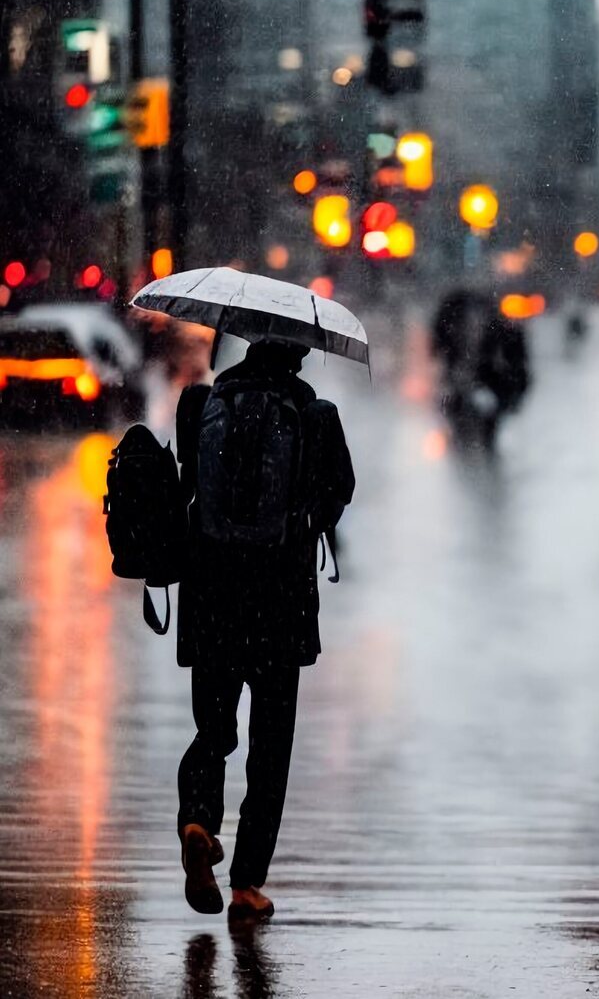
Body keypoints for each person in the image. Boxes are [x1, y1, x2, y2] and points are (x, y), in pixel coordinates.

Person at [174, 340, 355, 922]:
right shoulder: (316, 415)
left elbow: (186, 487)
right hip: (281, 607)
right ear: (299, 357)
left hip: (212, 597)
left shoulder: (200, 404)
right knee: (269, 749)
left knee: (213, 730)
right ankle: (247, 886)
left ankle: (198, 820)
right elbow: (336, 497)